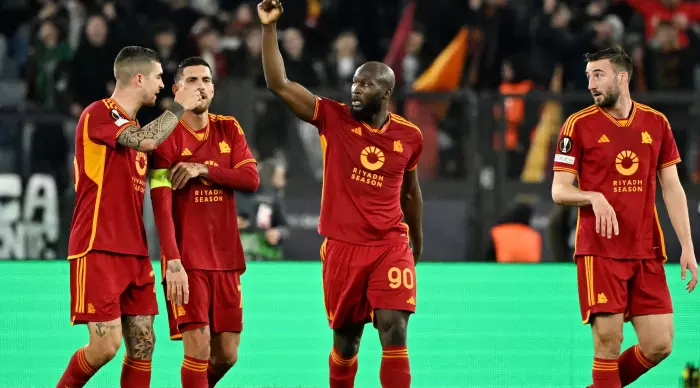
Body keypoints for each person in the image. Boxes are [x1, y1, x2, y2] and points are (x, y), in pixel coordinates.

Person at [258, 1, 424, 387]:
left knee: (394, 329)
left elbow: (411, 194)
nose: (355, 89)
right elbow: (278, 84)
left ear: (386, 92)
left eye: (365, 84)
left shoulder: (409, 137)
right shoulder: (332, 118)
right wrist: (269, 29)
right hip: (342, 248)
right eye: (353, 82)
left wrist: (415, 241)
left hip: (388, 244)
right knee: (347, 341)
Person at [551, 46, 698, 388]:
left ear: (622, 77)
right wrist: (592, 196)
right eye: (588, 76)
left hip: (645, 249)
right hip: (600, 252)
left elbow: (672, 188)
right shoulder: (578, 125)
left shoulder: (656, 123)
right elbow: (559, 191)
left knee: (660, 344)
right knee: (607, 343)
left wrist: (688, 247)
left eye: (598, 75)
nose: (591, 83)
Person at [58, 46, 202, 388]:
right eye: (157, 77)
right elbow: (148, 140)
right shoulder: (99, 113)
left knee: (143, 344)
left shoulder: (135, 127)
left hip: (135, 254)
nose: (163, 84)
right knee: (105, 347)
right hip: (98, 246)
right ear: (138, 78)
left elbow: (158, 162)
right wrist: (179, 105)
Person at [149, 56, 260, 388]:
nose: (201, 87)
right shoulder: (166, 137)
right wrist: (173, 261)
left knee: (227, 354)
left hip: (226, 258)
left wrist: (204, 169)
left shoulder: (229, 127)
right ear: (177, 89)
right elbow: (160, 205)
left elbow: (251, 179)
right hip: (188, 260)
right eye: (193, 80)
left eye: (207, 80)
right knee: (197, 349)